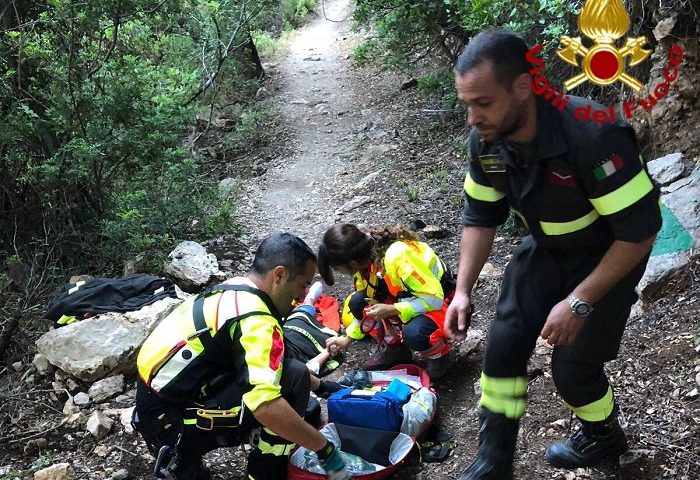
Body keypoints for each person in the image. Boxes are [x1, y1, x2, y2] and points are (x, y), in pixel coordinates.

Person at [444, 29, 662, 479]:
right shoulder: (486, 143)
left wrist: (578, 301)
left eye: (483, 103)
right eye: (467, 104)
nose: (472, 117)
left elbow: (639, 232)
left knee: (572, 366)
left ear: (523, 87)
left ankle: (603, 436)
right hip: (549, 246)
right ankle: (493, 460)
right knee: (503, 345)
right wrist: (462, 290)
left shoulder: (591, 135)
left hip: (612, 251)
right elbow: (480, 216)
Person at [133, 233, 349, 480]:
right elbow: (266, 406)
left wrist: (321, 386)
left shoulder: (235, 290)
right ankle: (262, 471)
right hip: (169, 421)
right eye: (302, 285)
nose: (302, 297)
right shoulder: (256, 321)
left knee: (295, 375)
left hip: (161, 399)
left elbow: (263, 363)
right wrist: (324, 448)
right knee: (289, 391)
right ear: (279, 275)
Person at [318, 223, 456, 379]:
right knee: (358, 302)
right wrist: (346, 339)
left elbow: (435, 300)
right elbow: (371, 301)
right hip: (411, 298)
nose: (340, 273)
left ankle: (438, 356)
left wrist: (393, 309)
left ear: (352, 264)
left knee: (414, 333)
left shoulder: (398, 258)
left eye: (337, 269)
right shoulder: (365, 263)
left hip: (447, 304)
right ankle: (395, 349)